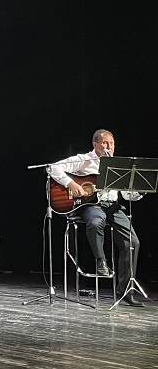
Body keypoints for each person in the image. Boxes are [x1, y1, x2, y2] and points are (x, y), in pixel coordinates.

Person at [48, 129, 144, 307]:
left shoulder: (118, 166)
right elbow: (53, 167)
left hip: (113, 207)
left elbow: (127, 195)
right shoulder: (84, 160)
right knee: (96, 221)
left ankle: (125, 291)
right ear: (95, 145)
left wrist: (139, 191)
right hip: (92, 206)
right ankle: (101, 261)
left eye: (112, 143)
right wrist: (72, 183)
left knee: (132, 242)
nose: (109, 147)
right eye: (105, 143)